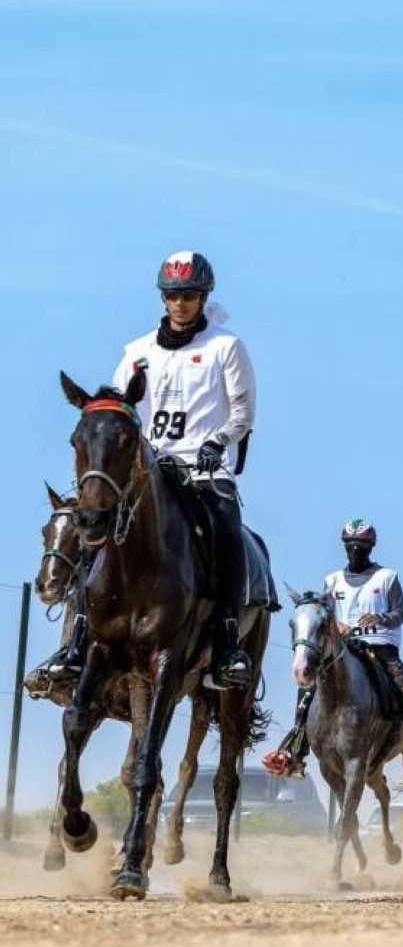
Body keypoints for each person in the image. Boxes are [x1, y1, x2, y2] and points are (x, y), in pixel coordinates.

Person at [36, 250, 255, 691]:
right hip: (145, 470)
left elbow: (243, 411)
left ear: (204, 295)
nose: (181, 303)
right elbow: (117, 411)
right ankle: (76, 643)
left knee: (229, 532)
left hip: (202, 468)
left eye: (189, 295)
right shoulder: (137, 352)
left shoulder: (225, 347)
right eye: (173, 295)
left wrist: (218, 442)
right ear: (163, 298)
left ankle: (229, 644)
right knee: (93, 533)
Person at [263, 520, 403, 778]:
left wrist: (381, 619)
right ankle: (296, 751)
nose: (355, 550)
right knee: (308, 688)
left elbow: (400, 612)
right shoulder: (332, 581)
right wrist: (334, 623)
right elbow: (322, 615)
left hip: (380, 649)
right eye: (350, 546)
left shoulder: (387, 577)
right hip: (345, 650)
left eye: (360, 545)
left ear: (370, 547)